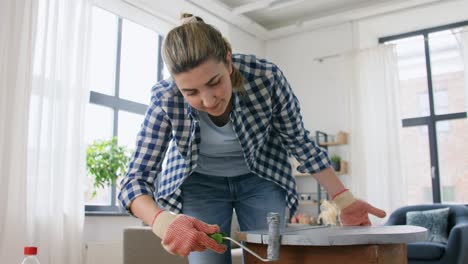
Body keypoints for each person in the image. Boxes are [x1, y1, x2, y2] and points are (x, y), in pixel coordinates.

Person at [118, 13, 387, 264]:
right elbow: (134, 180)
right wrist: (161, 220)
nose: (208, 100)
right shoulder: (165, 98)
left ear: (228, 60)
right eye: (191, 92)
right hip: (200, 185)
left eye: (214, 82)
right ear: (177, 86)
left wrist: (344, 199)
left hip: (261, 177)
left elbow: (298, 141)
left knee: (270, 258)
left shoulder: (265, 78)